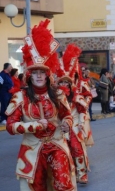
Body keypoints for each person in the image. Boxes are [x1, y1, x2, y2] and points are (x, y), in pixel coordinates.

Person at [5, 20, 77, 190]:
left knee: (62, 183)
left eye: (42, 72)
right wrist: (35, 125)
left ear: (47, 75)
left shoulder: (58, 94)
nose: (38, 76)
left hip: (56, 144)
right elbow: (10, 126)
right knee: (37, 186)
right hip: (32, 149)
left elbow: (67, 115)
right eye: (35, 72)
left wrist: (67, 123)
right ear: (29, 75)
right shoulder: (20, 97)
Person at [56, 43, 90, 184]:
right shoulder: (55, 97)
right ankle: (70, 173)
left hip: (75, 126)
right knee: (64, 152)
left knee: (77, 149)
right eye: (62, 82)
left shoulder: (76, 96)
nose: (64, 85)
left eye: (67, 83)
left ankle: (82, 173)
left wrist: (82, 123)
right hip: (61, 127)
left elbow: (82, 110)